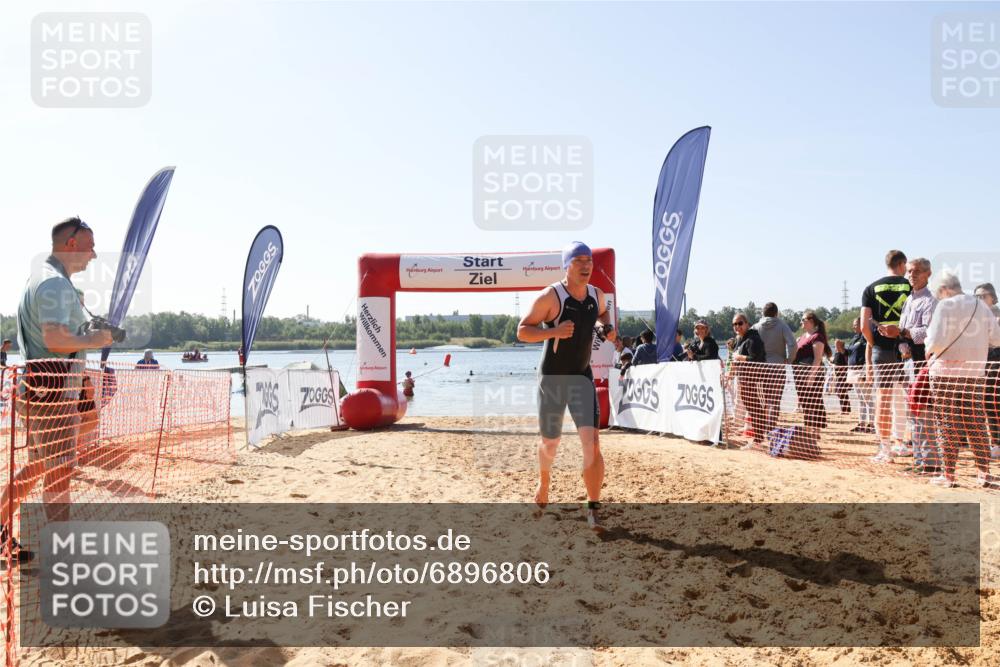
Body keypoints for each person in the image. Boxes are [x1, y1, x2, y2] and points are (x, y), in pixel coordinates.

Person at [1, 217, 115, 562]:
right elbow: (54, 339)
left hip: (43, 388)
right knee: (59, 472)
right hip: (51, 390)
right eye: (91, 245)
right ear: (71, 244)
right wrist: (97, 339)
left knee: (39, 466)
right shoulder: (53, 284)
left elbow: (57, 337)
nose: (94, 254)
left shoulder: (47, 280)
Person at [517, 241, 616, 532]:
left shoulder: (597, 295)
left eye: (589, 261)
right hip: (553, 379)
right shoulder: (551, 296)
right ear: (567, 265)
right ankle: (544, 483)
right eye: (578, 261)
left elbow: (602, 314)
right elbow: (522, 331)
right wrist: (554, 331)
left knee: (593, 443)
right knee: (551, 442)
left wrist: (605, 328)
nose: (586, 266)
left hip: (581, 376)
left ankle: (593, 508)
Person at [925, 271, 1000, 488]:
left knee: (947, 423)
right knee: (976, 422)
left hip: (945, 374)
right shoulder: (981, 306)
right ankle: (983, 473)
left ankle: (948, 475)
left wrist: (929, 349)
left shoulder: (945, 306)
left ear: (944, 290)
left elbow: (936, 341)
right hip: (975, 373)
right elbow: (996, 338)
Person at [861, 249, 912, 464]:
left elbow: (864, 326)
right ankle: (902, 442)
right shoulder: (910, 286)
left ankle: (885, 449)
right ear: (902, 264)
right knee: (907, 398)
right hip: (908, 348)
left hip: (882, 350)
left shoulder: (871, 288)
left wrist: (874, 344)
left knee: (883, 399)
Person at [897, 258, 938, 473]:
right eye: (910, 272)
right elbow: (905, 329)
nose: (912, 275)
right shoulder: (908, 300)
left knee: (925, 411)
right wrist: (903, 342)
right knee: (913, 411)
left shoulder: (931, 301)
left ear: (928, 274)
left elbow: (927, 333)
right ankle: (919, 460)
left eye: (917, 271)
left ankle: (930, 462)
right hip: (910, 361)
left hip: (926, 361)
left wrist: (902, 333)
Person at [753, 303, 796, 438]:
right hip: (778, 366)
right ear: (776, 313)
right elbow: (793, 344)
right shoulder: (782, 325)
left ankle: (765, 427)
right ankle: (771, 429)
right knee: (775, 400)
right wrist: (789, 360)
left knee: (765, 399)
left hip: (761, 367)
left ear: (763, 313)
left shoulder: (756, 326)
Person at [792, 310, 831, 448]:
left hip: (812, 374)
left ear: (811, 321)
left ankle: (814, 431)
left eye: (803, 319)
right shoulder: (802, 336)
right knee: (805, 402)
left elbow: (817, 358)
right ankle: (809, 430)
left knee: (814, 401)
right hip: (800, 374)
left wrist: (811, 376)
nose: (801, 322)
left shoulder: (817, 337)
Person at [730, 313, 766, 448]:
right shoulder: (740, 339)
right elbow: (734, 360)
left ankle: (758, 439)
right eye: (735, 324)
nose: (737, 326)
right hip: (744, 379)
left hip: (755, 380)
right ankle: (758, 438)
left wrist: (739, 357)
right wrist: (730, 374)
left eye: (740, 323)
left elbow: (756, 359)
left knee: (756, 408)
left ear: (747, 324)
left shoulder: (753, 339)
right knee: (751, 408)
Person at [974, 283, 1000, 462]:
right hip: (979, 363)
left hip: (996, 362)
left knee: (994, 403)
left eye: (983, 296)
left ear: (993, 298)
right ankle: (994, 444)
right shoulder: (973, 318)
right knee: (985, 404)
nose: (979, 300)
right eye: (976, 297)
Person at [846, 317, 873, 434]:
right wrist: (842, 350)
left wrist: (867, 370)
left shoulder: (866, 337)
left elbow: (868, 352)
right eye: (853, 324)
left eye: (856, 324)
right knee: (860, 399)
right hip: (852, 371)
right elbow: (850, 353)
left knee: (868, 398)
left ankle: (872, 424)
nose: (854, 327)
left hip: (861, 369)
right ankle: (861, 423)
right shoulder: (854, 338)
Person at [831, 340, 851, 413]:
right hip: (837, 375)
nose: (835, 346)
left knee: (842, 392)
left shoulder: (844, 352)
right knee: (839, 392)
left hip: (843, 375)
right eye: (835, 344)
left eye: (837, 344)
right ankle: (845, 409)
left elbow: (845, 362)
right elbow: (834, 362)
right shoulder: (837, 353)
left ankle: (845, 409)